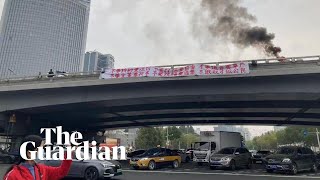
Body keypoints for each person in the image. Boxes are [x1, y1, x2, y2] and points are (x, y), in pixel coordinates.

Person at [3, 135, 72, 180]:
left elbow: (61, 172)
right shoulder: (13, 175)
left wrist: (68, 152)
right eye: (41, 149)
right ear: (29, 153)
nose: (44, 152)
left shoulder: (42, 169)